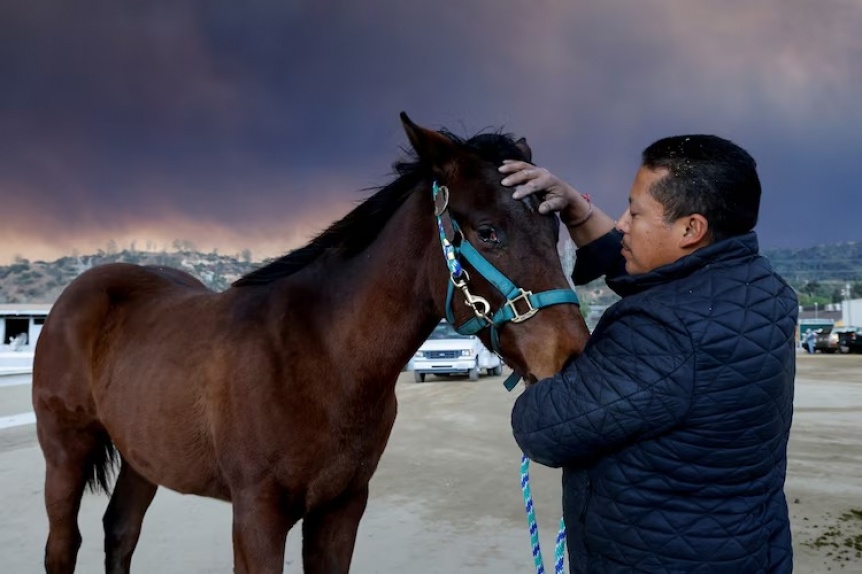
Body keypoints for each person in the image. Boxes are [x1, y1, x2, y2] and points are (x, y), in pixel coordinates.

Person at [500, 134, 796, 573]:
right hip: (746, 550)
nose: (621, 224)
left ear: (691, 229)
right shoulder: (762, 291)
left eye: (635, 212)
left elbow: (543, 430)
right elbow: (661, 276)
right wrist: (576, 209)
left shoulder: (663, 333)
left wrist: (542, 360)